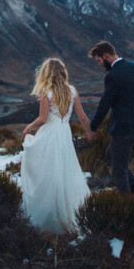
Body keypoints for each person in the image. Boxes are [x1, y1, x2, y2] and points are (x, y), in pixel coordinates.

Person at [21, 58, 93, 233]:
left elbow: (43, 119)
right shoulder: (73, 91)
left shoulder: (45, 90)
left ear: (47, 73)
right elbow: (82, 117)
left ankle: (48, 212)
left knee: (46, 171)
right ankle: (71, 211)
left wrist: (29, 127)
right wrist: (90, 132)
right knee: (66, 170)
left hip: (49, 135)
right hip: (64, 135)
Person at [88, 41, 134, 202]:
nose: (100, 64)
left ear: (106, 55)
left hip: (124, 130)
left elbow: (105, 104)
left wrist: (93, 126)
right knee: (112, 154)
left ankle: (127, 204)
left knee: (118, 169)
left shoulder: (112, 76)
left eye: (99, 61)